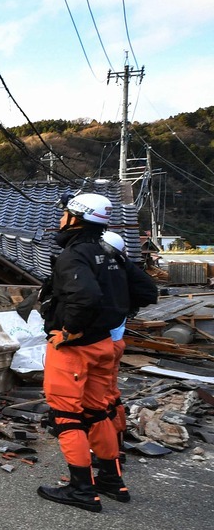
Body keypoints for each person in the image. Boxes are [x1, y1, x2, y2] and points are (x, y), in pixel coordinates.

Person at [37, 193, 130, 513]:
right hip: (104, 343)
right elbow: (145, 290)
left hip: (74, 349)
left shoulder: (74, 255)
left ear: (76, 218)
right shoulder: (109, 254)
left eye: (65, 214)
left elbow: (85, 296)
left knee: (66, 416)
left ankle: (81, 489)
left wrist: (70, 331)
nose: (61, 219)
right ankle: (111, 479)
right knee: (98, 411)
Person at [98, 230, 159, 490]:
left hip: (99, 345)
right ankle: (117, 445)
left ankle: (105, 456)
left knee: (95, 403)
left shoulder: (105, 276)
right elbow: (148, 294)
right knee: (111, 397)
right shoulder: (125, 274)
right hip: (116, 342)